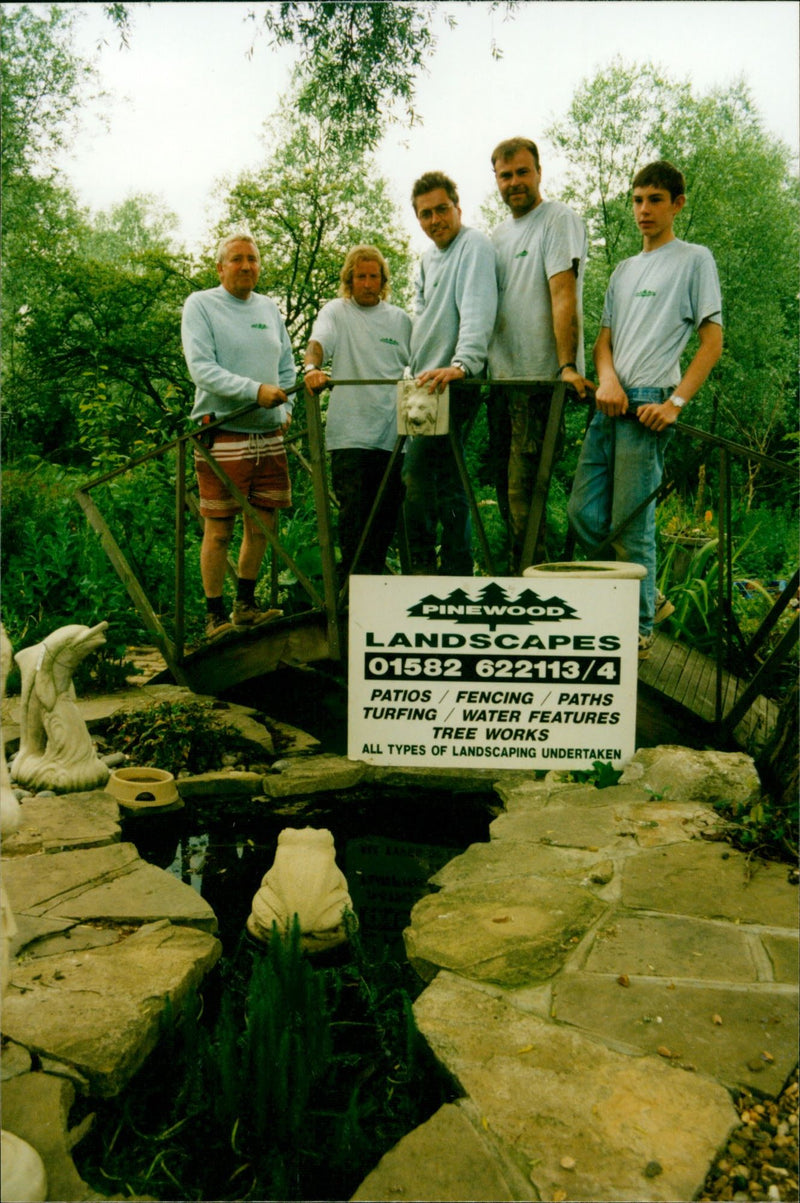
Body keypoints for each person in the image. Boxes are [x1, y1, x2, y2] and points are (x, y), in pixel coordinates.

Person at [567, 160, 723, 660]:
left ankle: (638, 630)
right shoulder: (623, 270)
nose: (644, 210)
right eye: (637, 200)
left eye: (655, 200)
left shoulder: (694, 259)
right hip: (610, 402)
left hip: (650, 403)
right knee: (582, 513)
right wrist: (608, 380)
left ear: (677, 204)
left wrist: (675, 403)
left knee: (632, 524)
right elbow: (603, 342)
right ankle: (649, 595)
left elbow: (712, 342)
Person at [181, 233, 296, 641]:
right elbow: (202, 369)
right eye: (236, 259)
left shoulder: (268, 308)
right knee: (219, 529)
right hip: (222, 431)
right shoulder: (201, 305)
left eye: (252, 259)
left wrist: (287, 408)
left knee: (263, 525)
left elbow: (287, 365)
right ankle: (214, 616)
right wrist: (254, 391)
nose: (246, 266)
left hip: (269, 434)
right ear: (220, 268)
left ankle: (245, 606)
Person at [487, 136, 591, 571]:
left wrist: (566, 366)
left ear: (539, 173)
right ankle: (522, 581)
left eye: (522, 172)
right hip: (501, 381)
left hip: (539, 382)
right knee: (504, 494)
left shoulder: (557, 219)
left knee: (525, 494)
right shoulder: (496, 235)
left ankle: (536, 586)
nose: (514, 182)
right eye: (505, 175)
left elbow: (563, 293)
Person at [403, 171, 497, 576]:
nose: (435, 220)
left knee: (417, 474)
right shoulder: (427, 259)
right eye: (426, 214)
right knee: (445, 476)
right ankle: (455, 568)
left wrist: (464, 364)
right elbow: (422, 318)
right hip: (424, 383)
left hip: (454, 380)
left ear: (458, 208)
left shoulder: (473, 245)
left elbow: (478, 307)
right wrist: (411, 372)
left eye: (442, 209)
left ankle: (427, 567)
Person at [303, 246, 412, 578]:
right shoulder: (337, 311)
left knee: (386, 518)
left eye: (373, 276)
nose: (367, 283)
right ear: (349, 279)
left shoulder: (400, 320)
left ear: (383, 280)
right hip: (350, 436)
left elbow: (420, 362)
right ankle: (350, 590)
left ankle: (373, 588)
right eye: (360, 276)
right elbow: (318, 342)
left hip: (393, 437)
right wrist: (311, 368)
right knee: (353, 516)